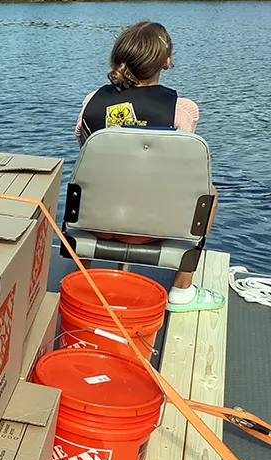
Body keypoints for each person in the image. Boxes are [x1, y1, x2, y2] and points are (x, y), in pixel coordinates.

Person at [73, 20, 222, 313]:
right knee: (209, 193)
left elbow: (85, 150)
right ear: (166, 61)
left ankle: (81, 278)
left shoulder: (91, 102)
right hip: (153, 229)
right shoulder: (182, 109)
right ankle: (182, 290)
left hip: (96, 224)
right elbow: (181, 171)